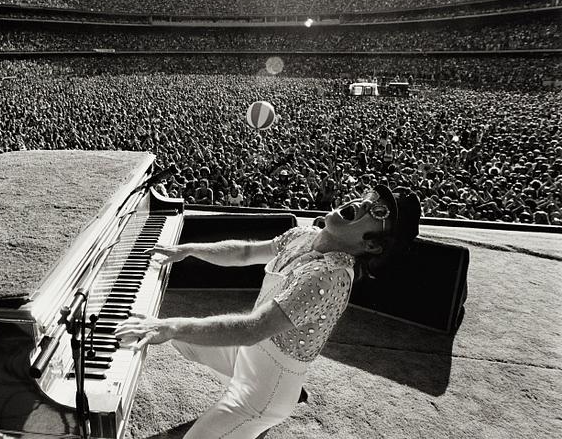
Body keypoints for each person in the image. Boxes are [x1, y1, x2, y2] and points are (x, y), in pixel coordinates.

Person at [115, 185, 421, 438]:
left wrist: (171, 325)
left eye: (378, 212)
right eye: (369, 197)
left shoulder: (330, 275)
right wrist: (190, 249)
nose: (364, 204)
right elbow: (246, 252)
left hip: (265, 391)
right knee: (183, 339)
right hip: (249, 356)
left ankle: (275, 405)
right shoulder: (305, 235)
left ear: (374, 246)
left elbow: (253, 329)